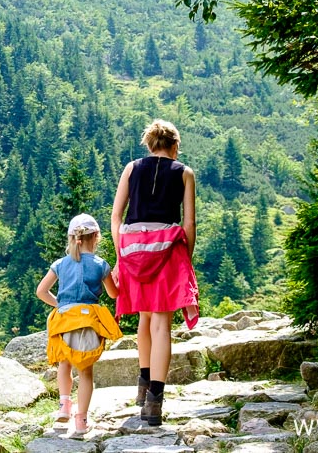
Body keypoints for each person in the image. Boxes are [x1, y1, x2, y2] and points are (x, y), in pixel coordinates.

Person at [111, 119, 198, 427]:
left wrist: (121, 256)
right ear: (174, 147)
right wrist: (184, 260)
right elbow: (189, 225)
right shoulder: (185, 173)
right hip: (169, 252)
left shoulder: (131, 168)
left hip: (134, 251)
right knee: (162, 323)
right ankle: (154, 404)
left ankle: (143, 384)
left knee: (145, 318)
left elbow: (116, 216)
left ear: (149, 145)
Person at [36, 212, 121, 439]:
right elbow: (114, 294)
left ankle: (64, 405)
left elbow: (41, 291)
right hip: (89, 320)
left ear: (72, 238)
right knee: (85, 372)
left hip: (65, 319)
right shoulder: (101, 265)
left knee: (64, 364)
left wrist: (60, 305)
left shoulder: (60, 264)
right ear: (96, 238)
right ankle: (81, 421)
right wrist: (117, 278)